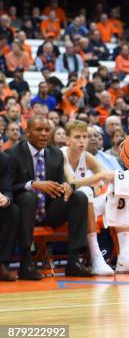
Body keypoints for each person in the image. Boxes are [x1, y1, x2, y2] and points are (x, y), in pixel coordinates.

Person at [7, 115, 91, 279]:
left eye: (47, 130)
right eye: (39, 129)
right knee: (28, 197)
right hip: (23, 213)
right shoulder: (13, 154)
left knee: (79, 198)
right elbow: (7, 188)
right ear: (27, 132)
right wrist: (33, 184)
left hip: (49, 210)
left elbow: (61, 183)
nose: (44, 133)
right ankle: (26, 264)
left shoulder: (56, 154)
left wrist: (67, 186)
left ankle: (74, 262)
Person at [62, 120, 129, 275]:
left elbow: (106, 177)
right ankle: (96, 258)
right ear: (67, 140)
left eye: (85, 137)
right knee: (86, 193)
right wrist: (98, 178)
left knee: (119, 192)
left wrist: (114, 179)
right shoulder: (61, 155)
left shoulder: (86, 156)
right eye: (77, 137)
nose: (82, 141)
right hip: (67, 207)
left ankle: (125, 257)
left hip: (86, 206)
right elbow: (71, 183)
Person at [0, 151, 19, 281]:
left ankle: (2, 264)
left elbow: (7, 187)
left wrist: (6, 198)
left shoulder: (4, 159)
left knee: (13, 210)